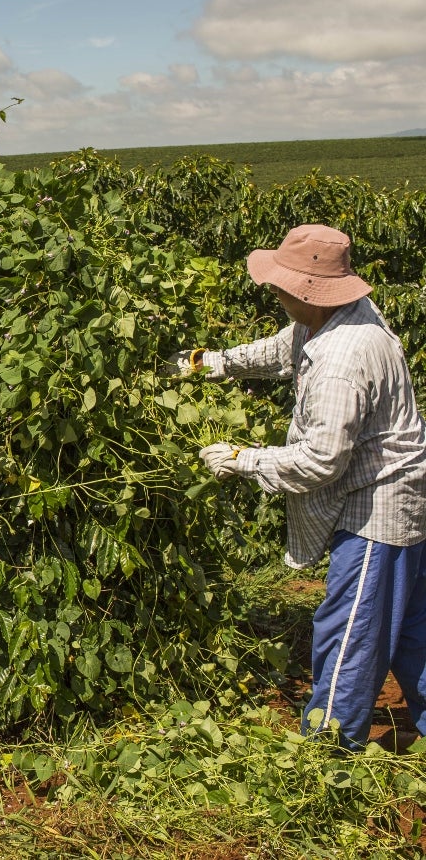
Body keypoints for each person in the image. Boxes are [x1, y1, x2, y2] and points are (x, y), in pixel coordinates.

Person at [175, 224, 426, 750]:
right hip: (395, 494)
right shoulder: (333, 320)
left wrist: (244, 460)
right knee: (407, 626)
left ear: (308, 291)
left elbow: (319, 461)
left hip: (379, 508)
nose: (275, 290)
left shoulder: (342, 362)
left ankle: (329, 749)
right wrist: (215, 362)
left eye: (283, 284)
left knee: (352, 628)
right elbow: (285, 348)